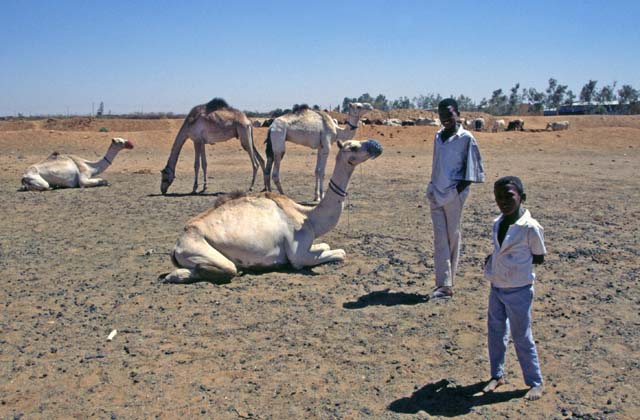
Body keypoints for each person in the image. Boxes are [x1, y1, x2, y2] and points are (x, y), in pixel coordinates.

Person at [482, 176, 546, 401]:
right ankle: (496, 374)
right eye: (499, 197)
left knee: (521, 335)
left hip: (518, 288)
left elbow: (539, 256)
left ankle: (534, 381)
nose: (503, 201)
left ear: (522, 198)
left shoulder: (530, 227)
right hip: (497, 285)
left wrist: (514, 266)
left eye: (509, 196)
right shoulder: (498, 222)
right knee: (496, 332)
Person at [426, 98, 485, 300]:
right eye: (442, 115)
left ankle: (449, 283)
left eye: (449, 114)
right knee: (439, 239)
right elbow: (436, 164)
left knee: (453, 237)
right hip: (435, 192)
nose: (445, 119)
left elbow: (472, 173)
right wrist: (432, 186)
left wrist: (455, 193)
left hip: (454, 195)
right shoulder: (437, 136)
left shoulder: (466, 138)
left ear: (457, 114)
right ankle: (443, 284)